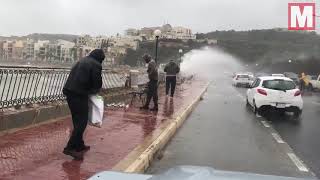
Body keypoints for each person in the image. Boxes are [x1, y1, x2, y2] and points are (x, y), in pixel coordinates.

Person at [62, 49, 105, 160]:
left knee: (77, 120)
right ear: (100, 59)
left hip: (69, 92)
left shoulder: (82, 60)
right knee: (82, 122)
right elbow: (97, 82)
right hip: (79, 94)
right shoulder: (96, 64)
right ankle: (70, 148)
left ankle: (79, 145)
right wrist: (95, 91)